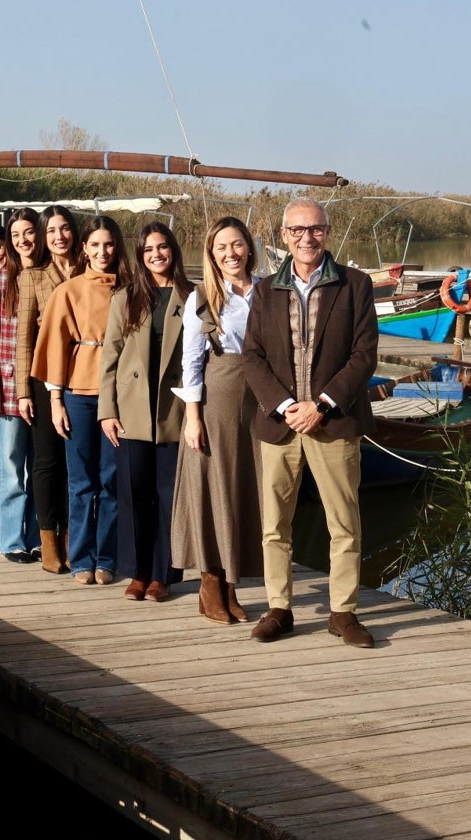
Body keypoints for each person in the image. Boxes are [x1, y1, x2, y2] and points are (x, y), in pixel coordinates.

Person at [242, 198, 379, 648]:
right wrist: (285, 406)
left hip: (333, 422)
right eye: (297, 231)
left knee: (344, 522)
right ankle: (279, 609)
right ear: (283, 236)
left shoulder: (356, 285)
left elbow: (364, 356)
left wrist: (321, 404)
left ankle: (343, 613)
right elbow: (253, 357)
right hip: (279, 425)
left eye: (315, 229)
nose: (306, 238)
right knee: (274, 524)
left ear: (328, 231)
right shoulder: (265, 290)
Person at [169, 217, 264, 624]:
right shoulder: (202, 297)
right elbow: (190, 360)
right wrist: (192, 416)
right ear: (211, 253)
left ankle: (231, 584)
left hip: (260, 397)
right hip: (218, 396)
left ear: (249, 247)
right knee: (215, 484)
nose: (231, 253)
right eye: (222, 247)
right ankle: (210, 581)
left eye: (237, 244)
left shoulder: (268, 292)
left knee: (248, 486)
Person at [31, 215, 127, 585]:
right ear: (84, 248)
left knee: (111, 479)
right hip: (78, 393)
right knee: (81, 481)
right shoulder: (68, 291)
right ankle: (81, 557)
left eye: (109, 244)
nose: (103, 252)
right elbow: (55, 346)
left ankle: (108, 558)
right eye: (95, 245)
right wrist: (55, 401)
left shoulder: (129, 288)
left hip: (118, 395)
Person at [99, 222, 191, 602]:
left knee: (168, 494)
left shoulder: (193, 297)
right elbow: (110, 355)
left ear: (174, 251)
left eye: (163, 247)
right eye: (149, 249)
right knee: (133, 493)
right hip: (132, 409)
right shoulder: (125, 297)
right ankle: (137, 572)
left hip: (173, 409)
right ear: (140, 255)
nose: (156, 254)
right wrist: (107, 410)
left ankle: (163, 574)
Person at [16, 205, 81, 574]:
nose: (59, 236)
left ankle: (76, 537)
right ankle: (48, 540)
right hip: (43, 377)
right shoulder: (34, 276)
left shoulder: (92, 270)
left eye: (65, 229)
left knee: (78, 462)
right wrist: (23, 390)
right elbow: (24, 337)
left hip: (84, 374)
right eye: (51, 230)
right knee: (47, 460)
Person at [0, 226, 39, 563]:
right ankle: (11, 539)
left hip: (39, 386)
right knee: (12, 467)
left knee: (37, 467)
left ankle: (36, 536)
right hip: (7, 388)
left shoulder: (34, 275)